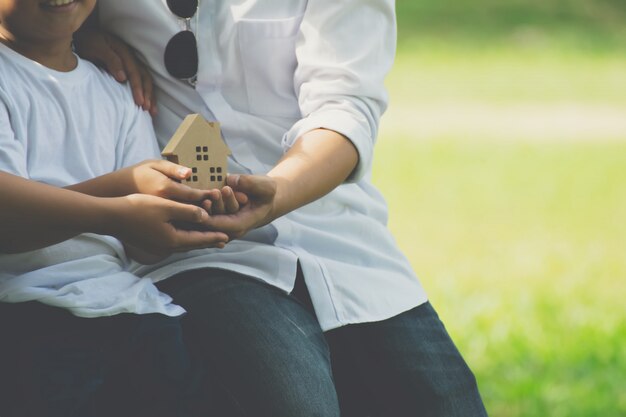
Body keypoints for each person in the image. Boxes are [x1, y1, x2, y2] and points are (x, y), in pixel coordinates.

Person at [77, 1, 490, 416]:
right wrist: (79, 39)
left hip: (343, 244)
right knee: (295, 403)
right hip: (202, 251)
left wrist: (279, 190)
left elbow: (346, 106)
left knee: (448, 403)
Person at [0, 1, 237, 415]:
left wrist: (188, 207)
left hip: (141, 312)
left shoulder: (117, 89)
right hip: (31, 315)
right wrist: (121, 198)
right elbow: (8, 216)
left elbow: (143, 248)